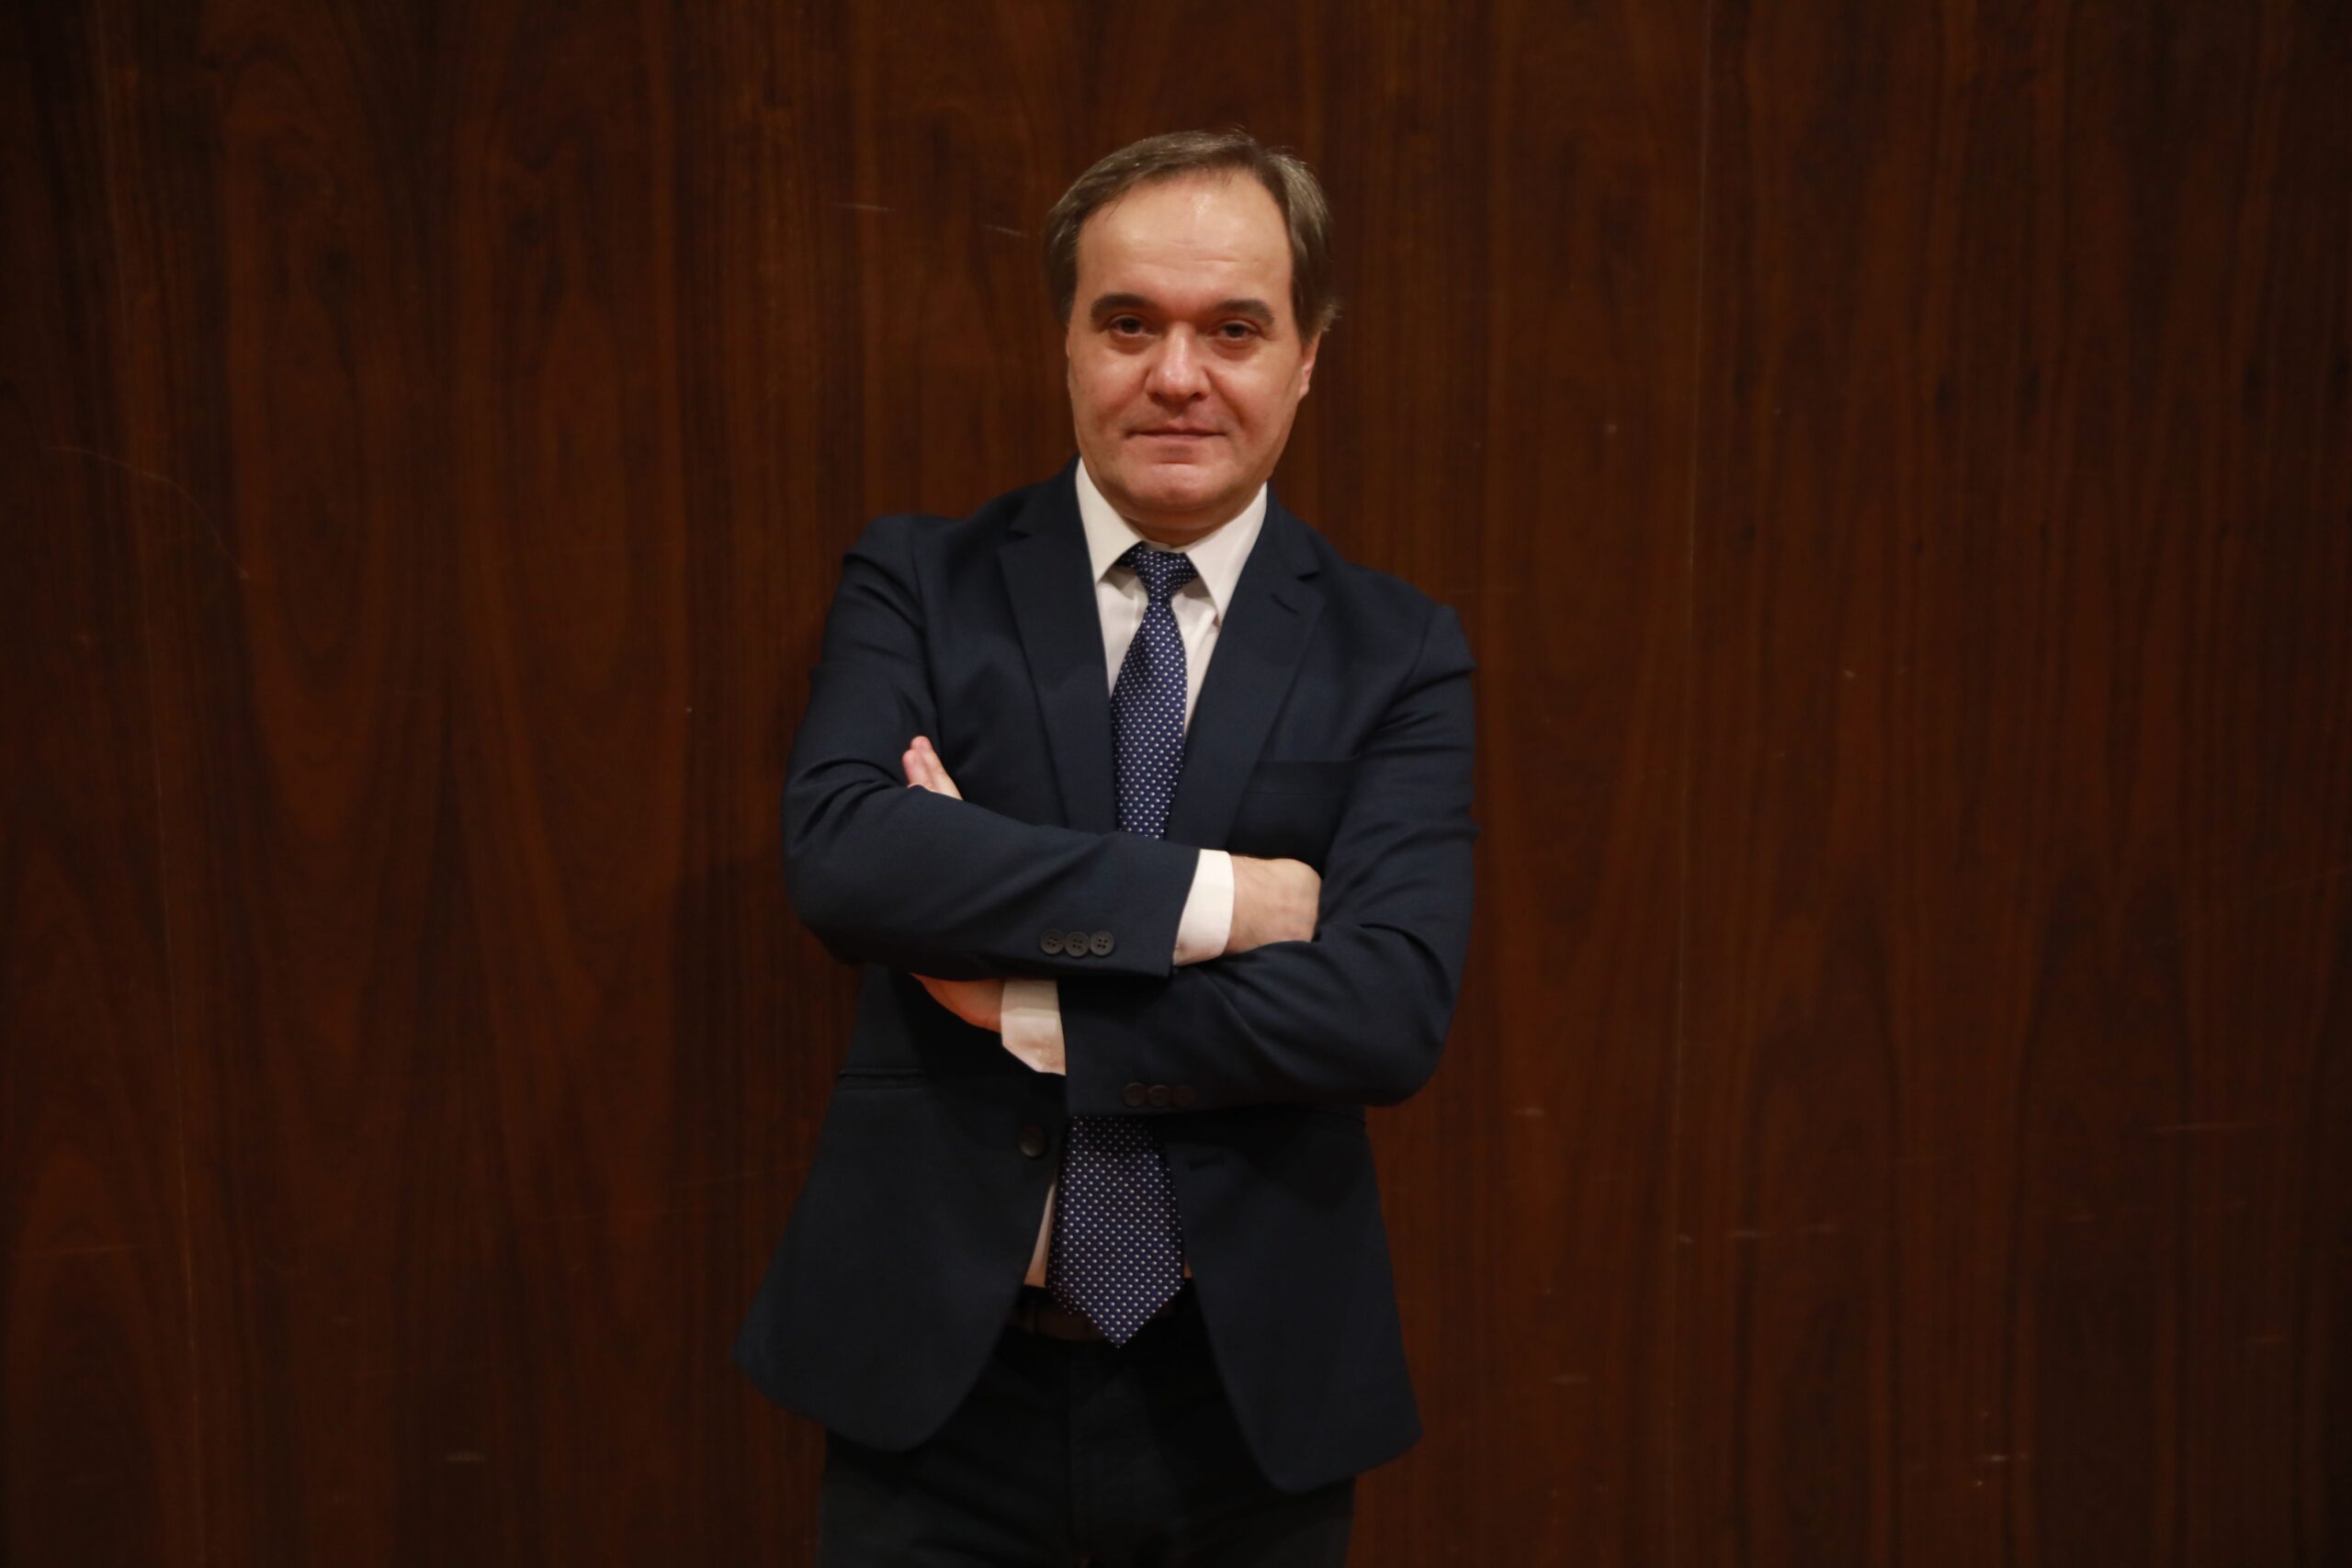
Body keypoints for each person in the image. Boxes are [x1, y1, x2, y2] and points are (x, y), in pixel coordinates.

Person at [735, 129, 1477, 1566]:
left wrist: (1029, 1003)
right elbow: (847, 859)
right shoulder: (921, 583)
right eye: (1129, 323)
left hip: (1244, 1402)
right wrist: (1227, 900)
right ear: (1067, 342)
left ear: (1308, 357)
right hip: (937, 1396)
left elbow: (1385, 1011)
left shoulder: (1396, 650)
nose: (1178, 375)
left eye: (1234, 330)